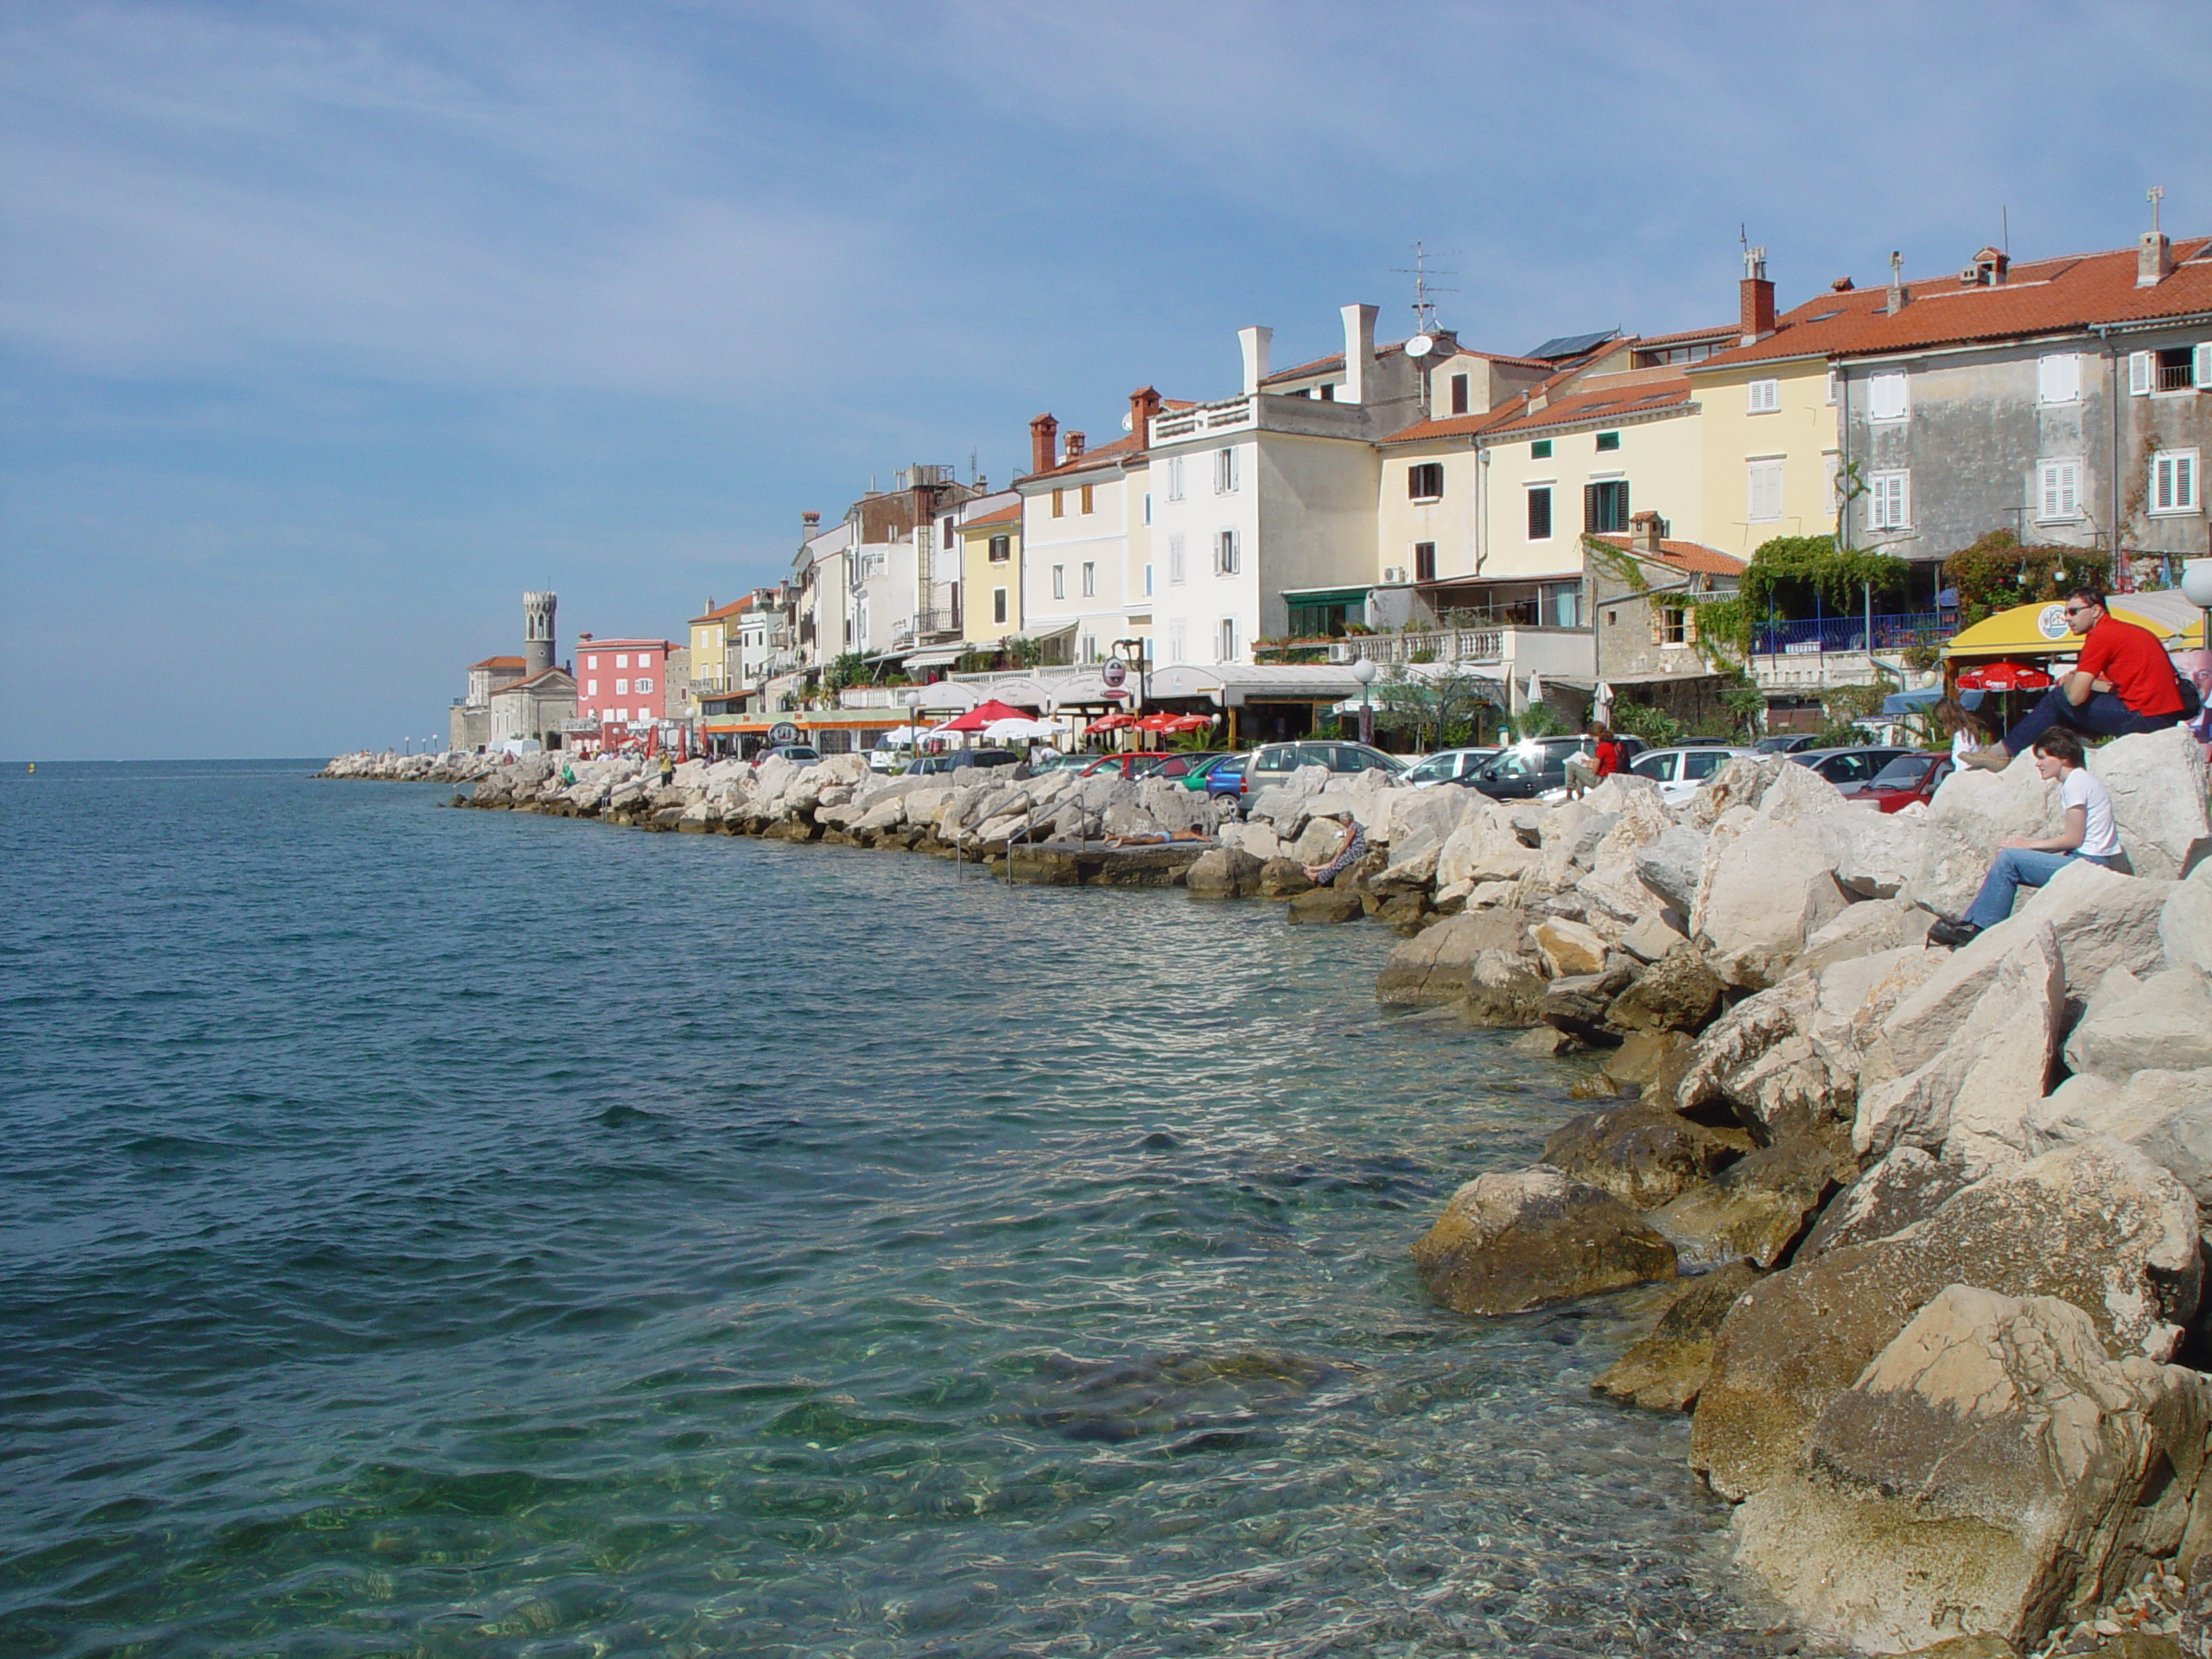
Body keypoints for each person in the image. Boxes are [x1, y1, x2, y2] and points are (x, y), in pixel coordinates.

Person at [1961, 583, 2187, 770]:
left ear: (2096, 610)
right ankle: (2066, 750)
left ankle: (2002, 752)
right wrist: (2079, 680)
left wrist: (2071, 682)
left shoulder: (2100, 636)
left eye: (2074, 611)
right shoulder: (2127, 631)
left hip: (2143, 717)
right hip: (2162, 716)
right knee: (2064, 699)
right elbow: (2113, 689)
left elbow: (2076, 698)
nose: (2067, 618)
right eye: (2065, 613)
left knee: (2058, 698)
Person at [1928, 728, 2120, 948]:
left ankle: (1979, 929)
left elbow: (2074, 839)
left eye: (2043, 758)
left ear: (2064, 758)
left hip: (2087, 865)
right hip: (2088, 861)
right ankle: (1972, 925)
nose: (2038, 764)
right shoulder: (2081, 780)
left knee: (2010, 859)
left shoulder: (2075, 783)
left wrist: (2028, 845)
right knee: (2011, 858)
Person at [1303, 811, 1370, 885]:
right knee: (1334, 862)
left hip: (1356, 851)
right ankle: (1313, 869)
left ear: (1348, 820)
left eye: (1343, 821)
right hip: (1358, 849)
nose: (1342, 823)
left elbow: (1346, 844)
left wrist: (1336, 857)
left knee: (1337, 864)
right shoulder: (1357, 825)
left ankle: (1316, 876)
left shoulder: (1352, 828)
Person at [1563, 722, 1623, 799]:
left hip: (1601, 781)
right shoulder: (1610, 745)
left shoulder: (1601, 747)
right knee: (1579, 772)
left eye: (1592, 737)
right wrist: (1588, 763)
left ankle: (1569, 793)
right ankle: (1579, 796)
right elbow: (1603, 764)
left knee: (1570, 765)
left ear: (1596, 736)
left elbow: (1594, 770)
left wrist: (1589, 765)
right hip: (1608, 778)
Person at [1930, 695, 1998, 763]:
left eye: (1941, 722)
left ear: (1948, 720)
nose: (1942, 726)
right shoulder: (1970, 732)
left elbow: (1962, 764)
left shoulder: (1961, 736)